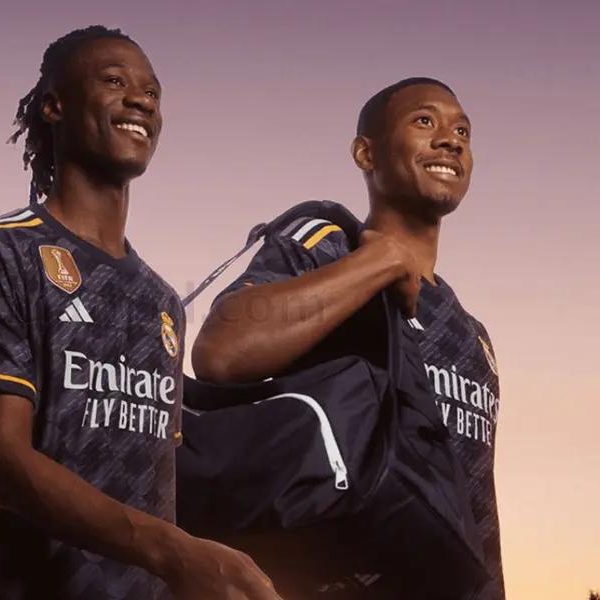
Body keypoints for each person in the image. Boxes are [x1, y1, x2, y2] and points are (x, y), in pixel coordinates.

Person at [0, 25, 278, 600]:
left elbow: (154, 487)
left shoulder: (163, 301)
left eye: (153, 91)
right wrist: (174, 551)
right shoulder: (0, 251)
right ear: (54, 105)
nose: (141, 99)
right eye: (115, 81)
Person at [193, 77, 504, 599]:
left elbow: (477, 504)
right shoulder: (324, 247)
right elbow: (220, 352)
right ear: (366, 152)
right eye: (425, 121)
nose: (451, 140)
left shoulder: (472, 335)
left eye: (463, 131)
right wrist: (380, 260)